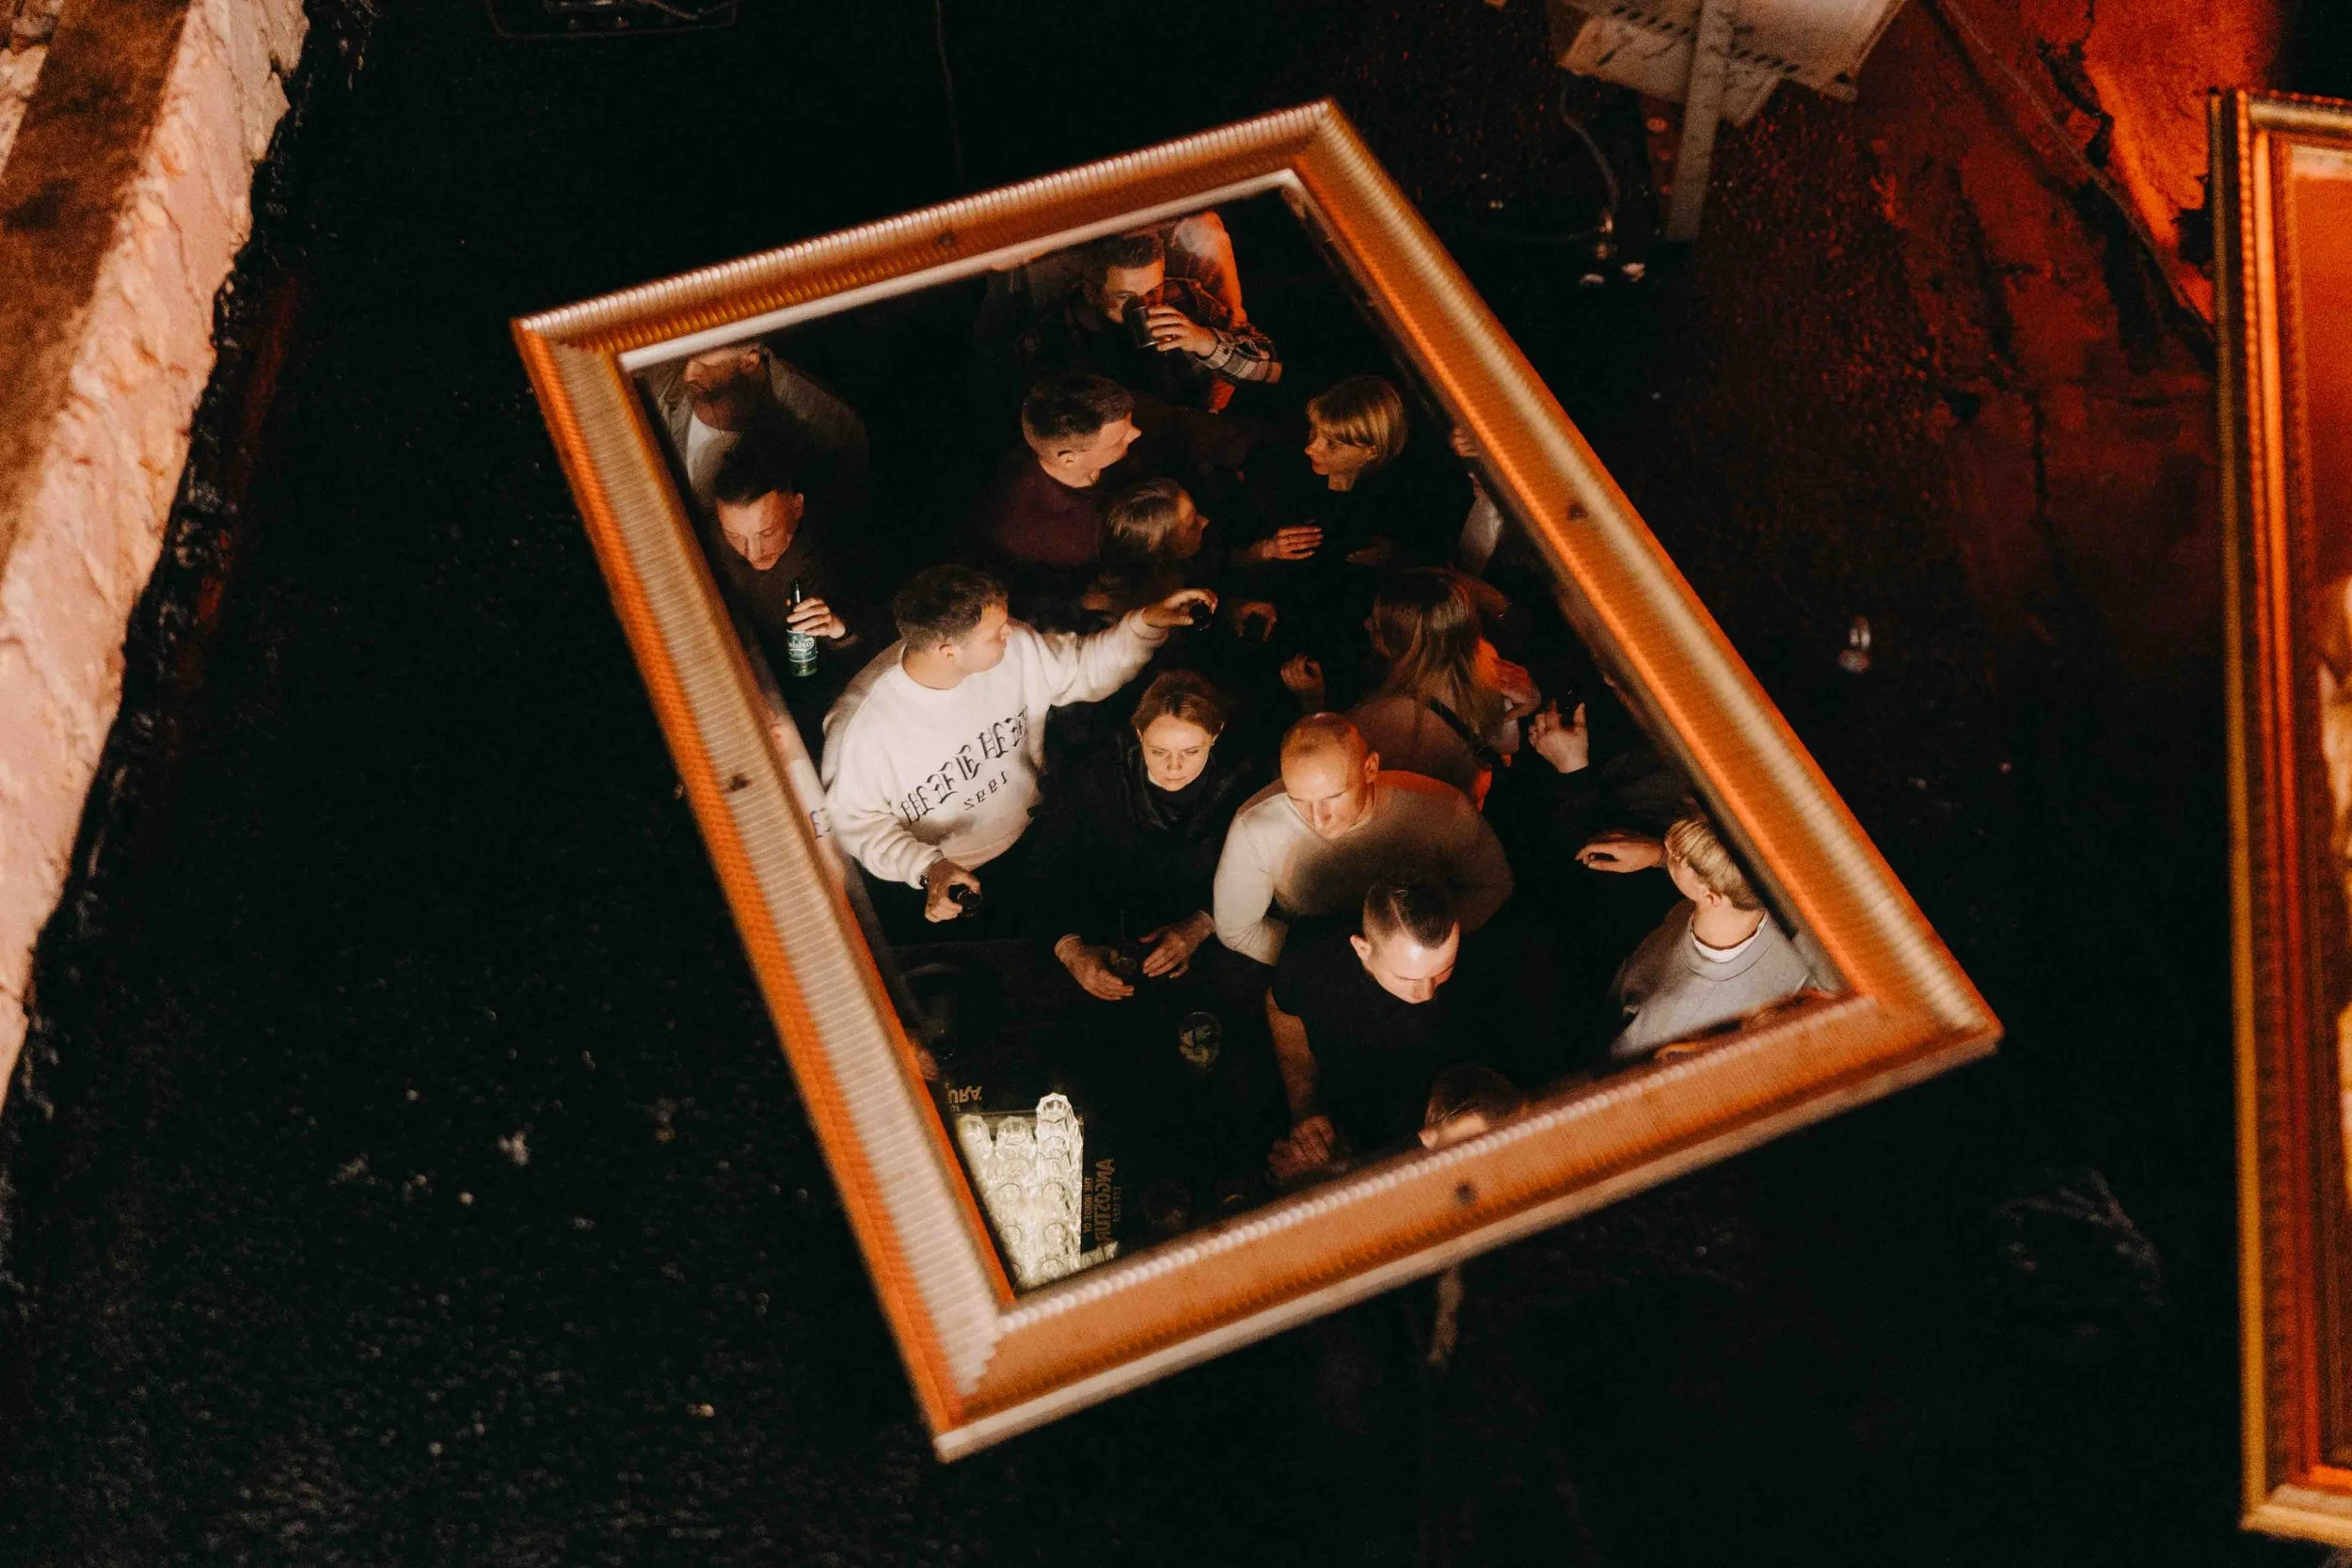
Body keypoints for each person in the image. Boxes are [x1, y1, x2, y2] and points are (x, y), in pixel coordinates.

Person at [820, 563, 1212, 933]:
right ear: (948, 652)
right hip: (942, 884)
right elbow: (856, 824)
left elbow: (1084, 668)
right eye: (995, 633)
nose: (1010, 632)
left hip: (1029, 840)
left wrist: (1145, 624)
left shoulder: (1016, 649)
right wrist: (929, 867)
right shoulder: (862, 728)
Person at [1026, 672, 1258, 1000]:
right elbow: (1048, 863)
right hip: (1099, 936)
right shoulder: (1097, 777)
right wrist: (1071, 951)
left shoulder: (1240, 783)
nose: (1174, 767)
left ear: (1215, 734)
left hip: (1207, 938)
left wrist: (1201, 925)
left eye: (1191, 751)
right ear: (1139, 733)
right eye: (1159, 751)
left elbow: (1259, 876)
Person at [1212, 713, 1512, 964]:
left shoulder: (1440, 807)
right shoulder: (1255, 826)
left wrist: (1422, 947)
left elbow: (1493, 884)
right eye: (1299, 800)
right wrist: (1325, 963)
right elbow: (1237, 930)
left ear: (1370, 768)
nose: (1318, 818)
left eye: (1334, 796)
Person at [1265, 876, 1488, 1181]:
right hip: (1337, 1106)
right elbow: (1281, 1009)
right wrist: (1306, 1107)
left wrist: (1343, 1170)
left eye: (1441, 971)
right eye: (1407, 978)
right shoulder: (1312, 959)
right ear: (1362, 949)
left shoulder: (1476, 971)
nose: (1426, 992)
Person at [1605, 815, 1821, 1062]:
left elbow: (1611, 1065)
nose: (1666, 845)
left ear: (1709, 895)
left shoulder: (1670, 1019)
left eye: (1676, 855)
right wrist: (1660, 857)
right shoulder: (1794, 920)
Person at [1333, 568, 1540, 807]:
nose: (1366, 624)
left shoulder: (1386, 720)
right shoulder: (1485, 659)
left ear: (1406, 646)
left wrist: (1311, 698)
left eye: (1378, 627)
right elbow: (1508, 744)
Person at [1016, 230, 1279, 413]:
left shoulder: (1186, 298)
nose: (1145, 305)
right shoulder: (1047, 339)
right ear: (1091, 292)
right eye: (1125, 296)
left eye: (1154, 290)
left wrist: (1205, 341)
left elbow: (1271, 371)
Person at [704, 418, 862, 673]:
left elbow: (871, 644)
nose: (752, 553)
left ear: (796, 508)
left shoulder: (840, 555)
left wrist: (838, 629)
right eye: (734, 536)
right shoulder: (708, 535)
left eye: (766, 533)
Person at [642, 341, 868, 513]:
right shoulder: (656, 387)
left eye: (703, 365)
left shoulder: (817, 420)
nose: (688, 374)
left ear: (749, 362)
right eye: (688, 358)